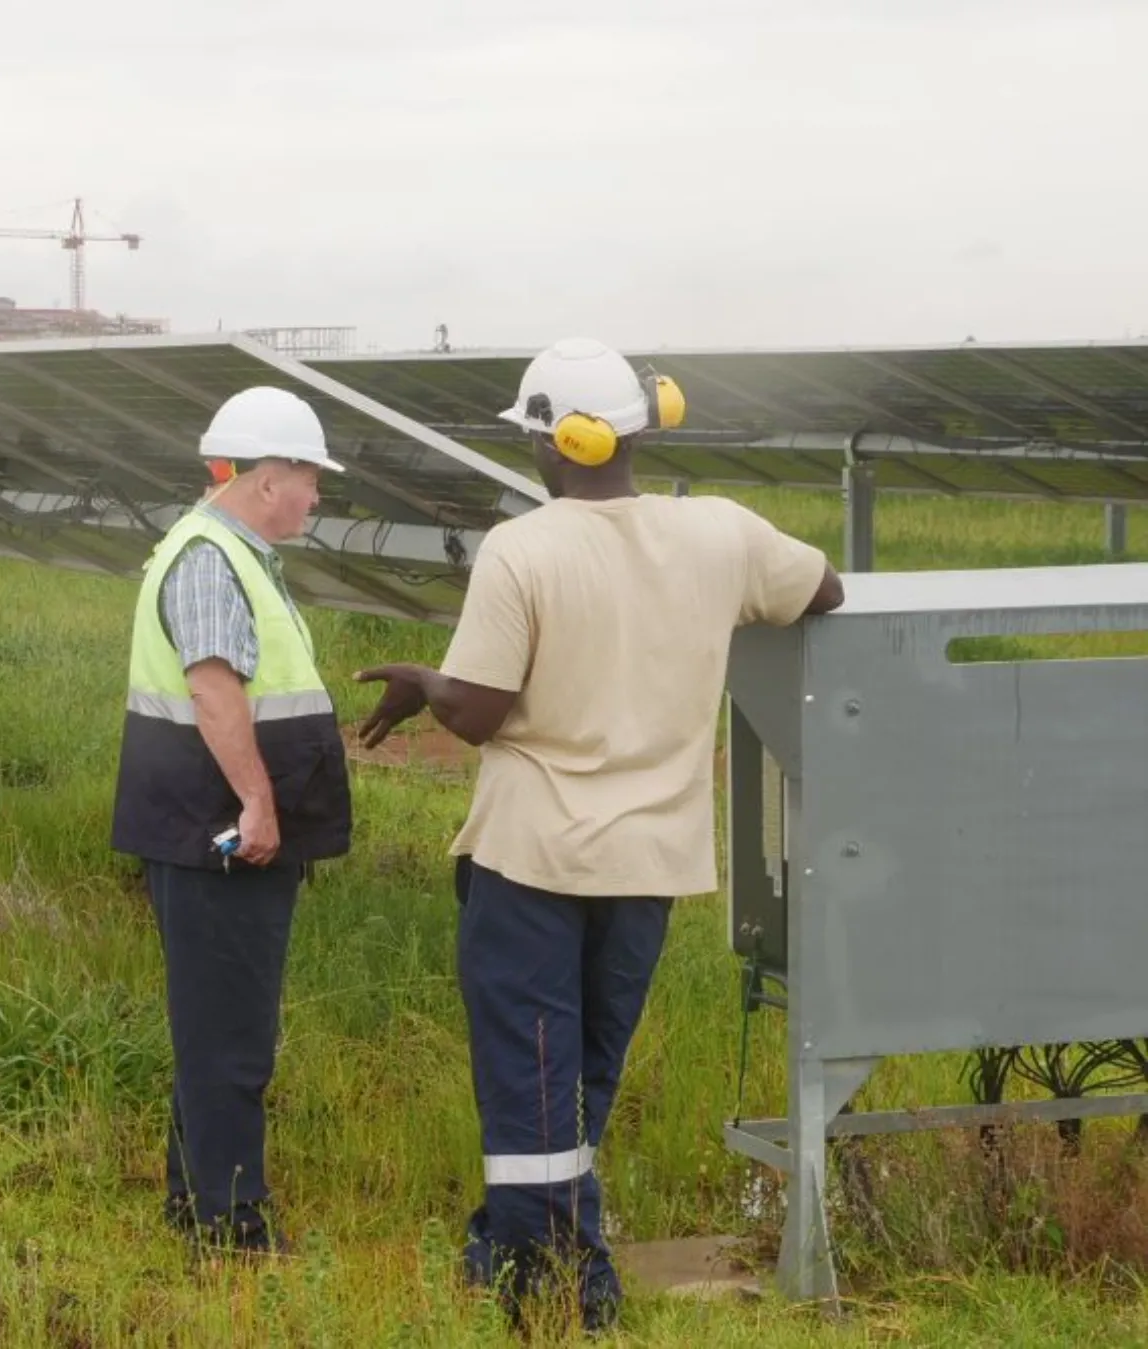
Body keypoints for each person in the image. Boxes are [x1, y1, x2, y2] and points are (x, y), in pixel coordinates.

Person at [353, 338, 845, 1330]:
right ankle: (510, 1249)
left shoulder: (524, 549)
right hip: (648, 860)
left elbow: (482, 711)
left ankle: (575, 1287)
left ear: (556, 441)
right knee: (579, 1078)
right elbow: (824, 591)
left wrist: (426, 684)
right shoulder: (720, 533)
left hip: (532, 855)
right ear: (637, 422)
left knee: (533, 1077)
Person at [110, 385, 356, 1255]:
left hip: (195, 827)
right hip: (216, 834)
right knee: (234, 1038)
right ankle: (232, 1228)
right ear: (264, 479)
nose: (317, 496)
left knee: (214, 1026)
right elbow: (216, 689)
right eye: (308, 477)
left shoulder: (218, 547)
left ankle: (195, 1202)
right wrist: (257, 801)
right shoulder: (213, 558)